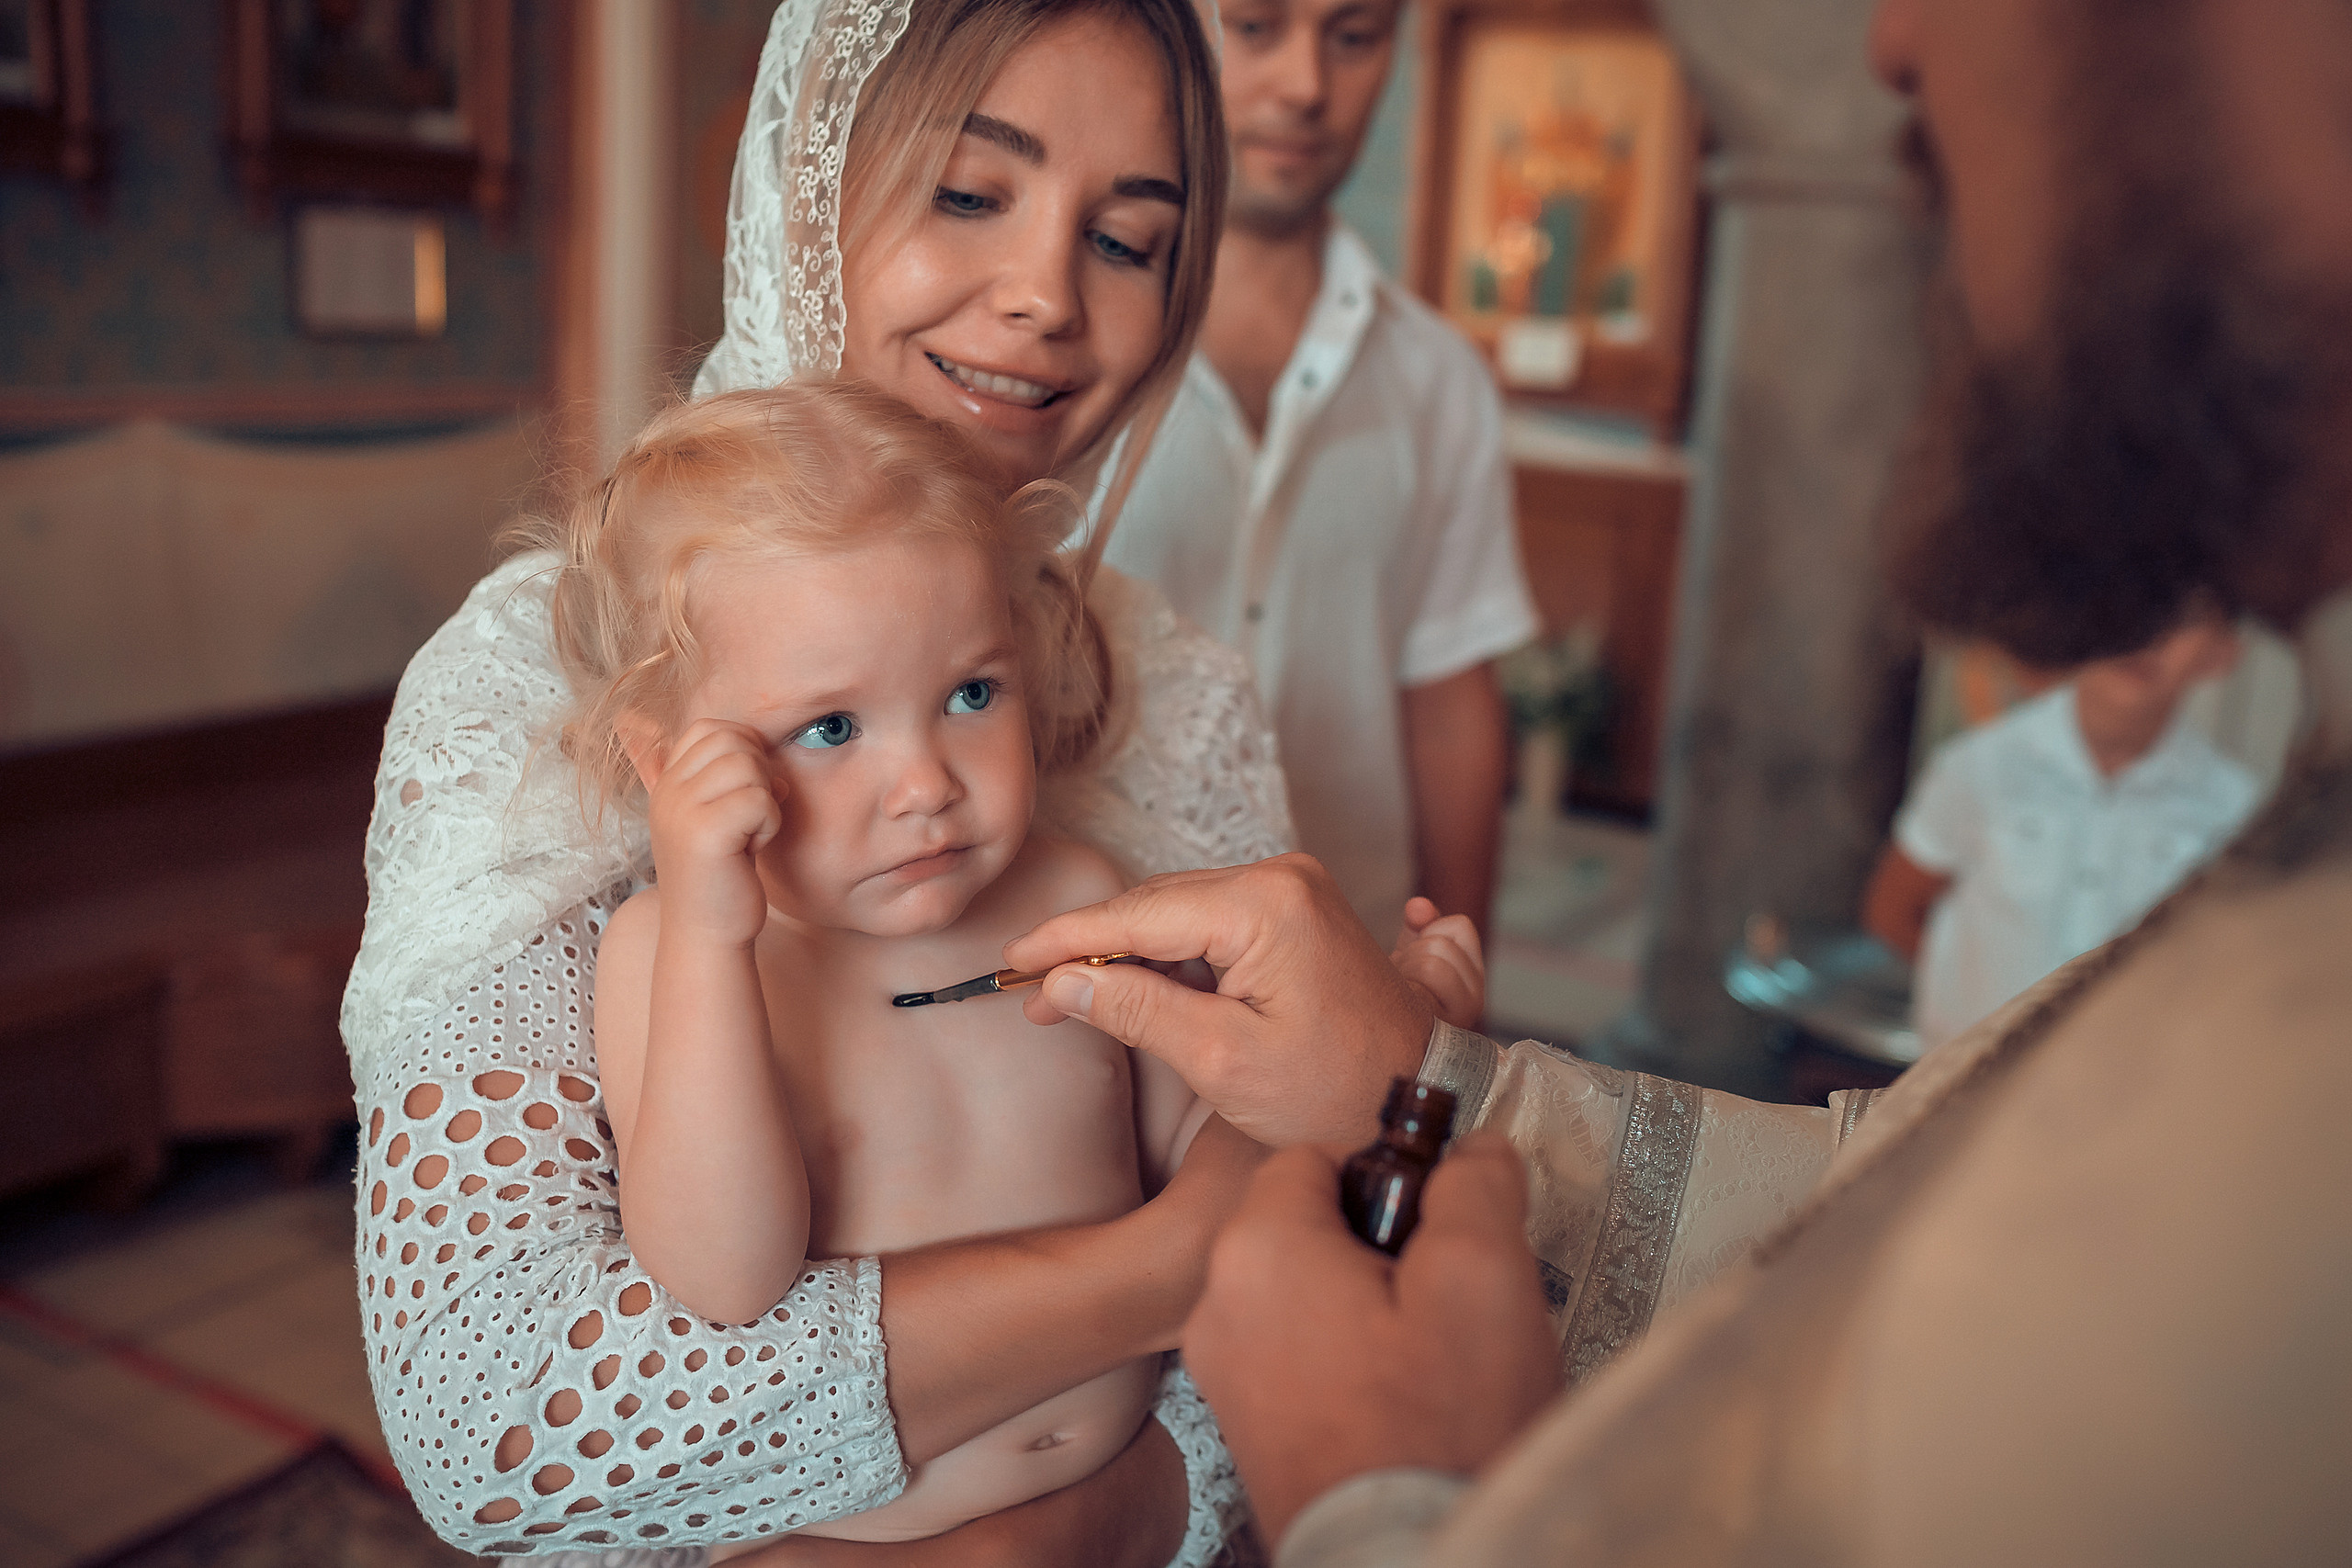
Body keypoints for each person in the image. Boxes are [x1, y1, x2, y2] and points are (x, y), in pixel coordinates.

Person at [995, 0, 2352, 1560]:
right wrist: (1444, 1083)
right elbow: (1908, 1196)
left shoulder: (1431, 373)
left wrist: (1390, 1505)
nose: (1892, 41)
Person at [340, 0, 1291, 1559]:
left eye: (1126, 240)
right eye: (972, 193)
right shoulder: (550, 676)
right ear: (802, 183)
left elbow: (1281, 1214)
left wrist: (1112, 1519)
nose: (1047, 295)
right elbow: (504, 1423)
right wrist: (1173, 1263)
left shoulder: (1179, 695)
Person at [550, 385, 1225, 1545]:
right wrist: (715, 936)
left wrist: (1380, 1058)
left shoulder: (1079, 894)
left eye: (971, 693)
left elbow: (1199, 1138)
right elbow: (724, 1280)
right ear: (666, 767)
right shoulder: (672, 955)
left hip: (1131, 1517)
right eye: (831, 729)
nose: (927, 785)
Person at [1100, 0, 1538, 946]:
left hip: (1351, 958)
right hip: (1086, 960)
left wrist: (1454, 1003)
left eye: (1352, 37)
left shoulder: (1437, 377)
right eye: (1255, 26)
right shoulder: (1063, 343)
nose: (1304, 85)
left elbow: (1451, 704)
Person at [1864, 615, 2257, 1047]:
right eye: (2131, 602)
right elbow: (1892, 909)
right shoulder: (1979, 766)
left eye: (2179, 615)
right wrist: (1965, 999)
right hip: (1966, 1087)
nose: (2147, 634)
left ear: (2222, 651)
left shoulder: (2235, 808)